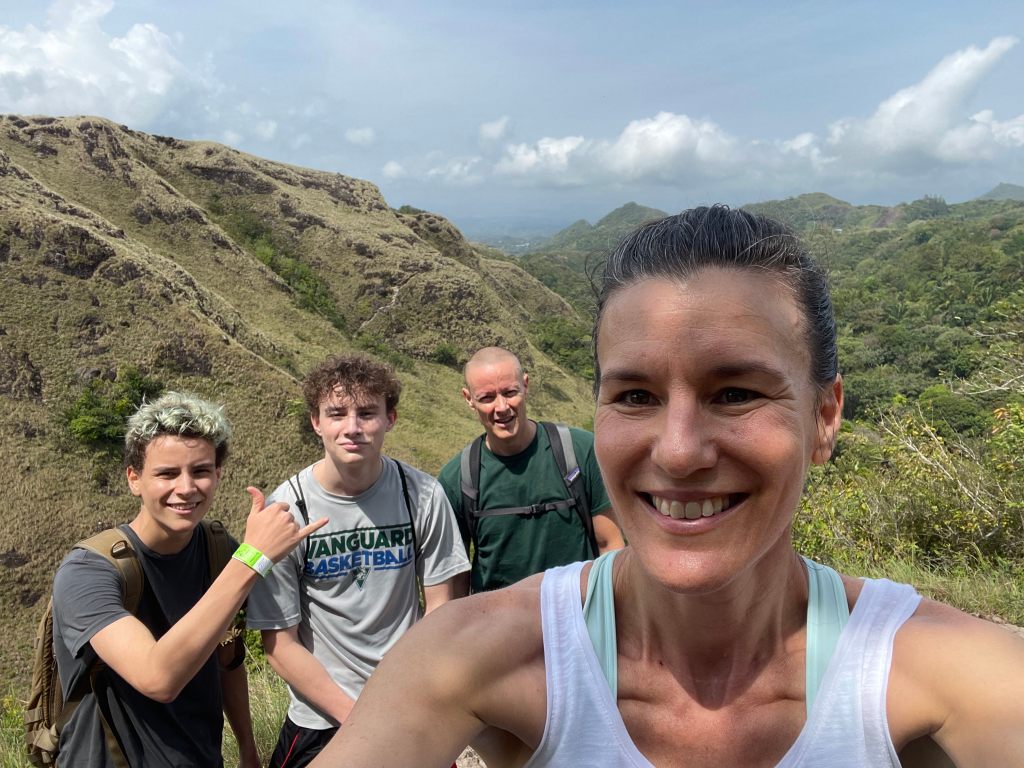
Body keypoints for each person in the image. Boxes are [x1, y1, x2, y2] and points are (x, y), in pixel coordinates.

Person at [310, 206, 1024, 767]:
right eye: (636, 396)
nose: (679, 452)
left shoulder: (940, 669)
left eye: (737, 393)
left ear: (825, 415)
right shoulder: (472, 655)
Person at [52, 391, 325, 768]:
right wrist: (252, 559)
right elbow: (157, 678)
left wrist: (247, 747)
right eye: (166, 473)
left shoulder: (219, 551)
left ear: (218, 475)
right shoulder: (87, 572)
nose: (186, 488)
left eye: (200, 471)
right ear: (134, 479)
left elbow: (227, 656)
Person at [246, 354, 470, 767]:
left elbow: (441, 609)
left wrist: (416, 694)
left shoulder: (421, 495)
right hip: (321, 718)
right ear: (316, 422)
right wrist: (358, 719)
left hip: (407, 706)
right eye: (337, 414)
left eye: (367, 413)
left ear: (390, 419)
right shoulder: (288, 510)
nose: (352, 427)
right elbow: (279, 644)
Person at [438, 346, 624, 593]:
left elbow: (610, 544)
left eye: (510, 392)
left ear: (525, 385)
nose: (501, 407)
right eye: (487, 398)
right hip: (498, 616)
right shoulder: (457, 479)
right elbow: (455, 581)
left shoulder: (580, 451)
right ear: (468, 399)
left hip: (579, 610)